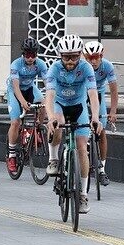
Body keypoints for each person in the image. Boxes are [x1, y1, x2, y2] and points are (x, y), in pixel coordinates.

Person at [44, 34, 100, 213]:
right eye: (66, 57)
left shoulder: (86, 68)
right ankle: (53, 159)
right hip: (59, 104)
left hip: (79, 106)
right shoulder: (54, 69)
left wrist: (95, 117)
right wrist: (51, 117)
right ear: (60, 55)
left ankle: (83, 194)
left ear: (80, 55)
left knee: (82, 147)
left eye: (74, 57)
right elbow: (49, 96)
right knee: (58, 123)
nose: (70, 61)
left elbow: (93, 94)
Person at [5, 37, 48, 174]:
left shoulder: (41, 64)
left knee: (44, 105)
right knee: (15, 122)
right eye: (28, 55)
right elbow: (16, 88)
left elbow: (49, 84)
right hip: (15, 91)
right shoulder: (16, 65)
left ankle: (38, 128)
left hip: (30, 88)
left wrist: (50, 99)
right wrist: (23, 102)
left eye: (33, 55)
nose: (30, 58)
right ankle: (12, 155)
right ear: (23, 54)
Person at [84, 40, 118, 184]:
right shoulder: (82, 66)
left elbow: (114, 90)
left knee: (101, 130)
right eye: (89, 58)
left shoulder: (107, 66)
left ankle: (102, 169)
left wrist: (113, 111)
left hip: (98, 94)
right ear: (85, 57)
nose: (93, 61)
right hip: (83, 93)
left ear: (101, 56)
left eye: (96, 57)